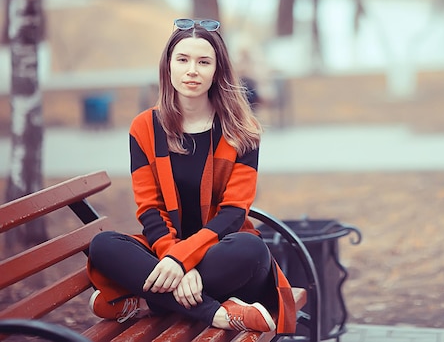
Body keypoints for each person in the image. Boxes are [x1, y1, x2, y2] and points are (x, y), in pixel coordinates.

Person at [86, 18, 296, 334]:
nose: (192, 70)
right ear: (168, 67)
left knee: (251, 250)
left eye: (203, 61)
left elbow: (233, 214)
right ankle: (216, 312)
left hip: (224, 259)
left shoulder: (242, 132)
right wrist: (175, 259)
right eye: (182, 60)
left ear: (218, 70)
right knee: (103, 245)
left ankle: (149, 300)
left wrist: (183, 261)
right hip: (165, 253)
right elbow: (150, 210)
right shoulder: (144, 128)